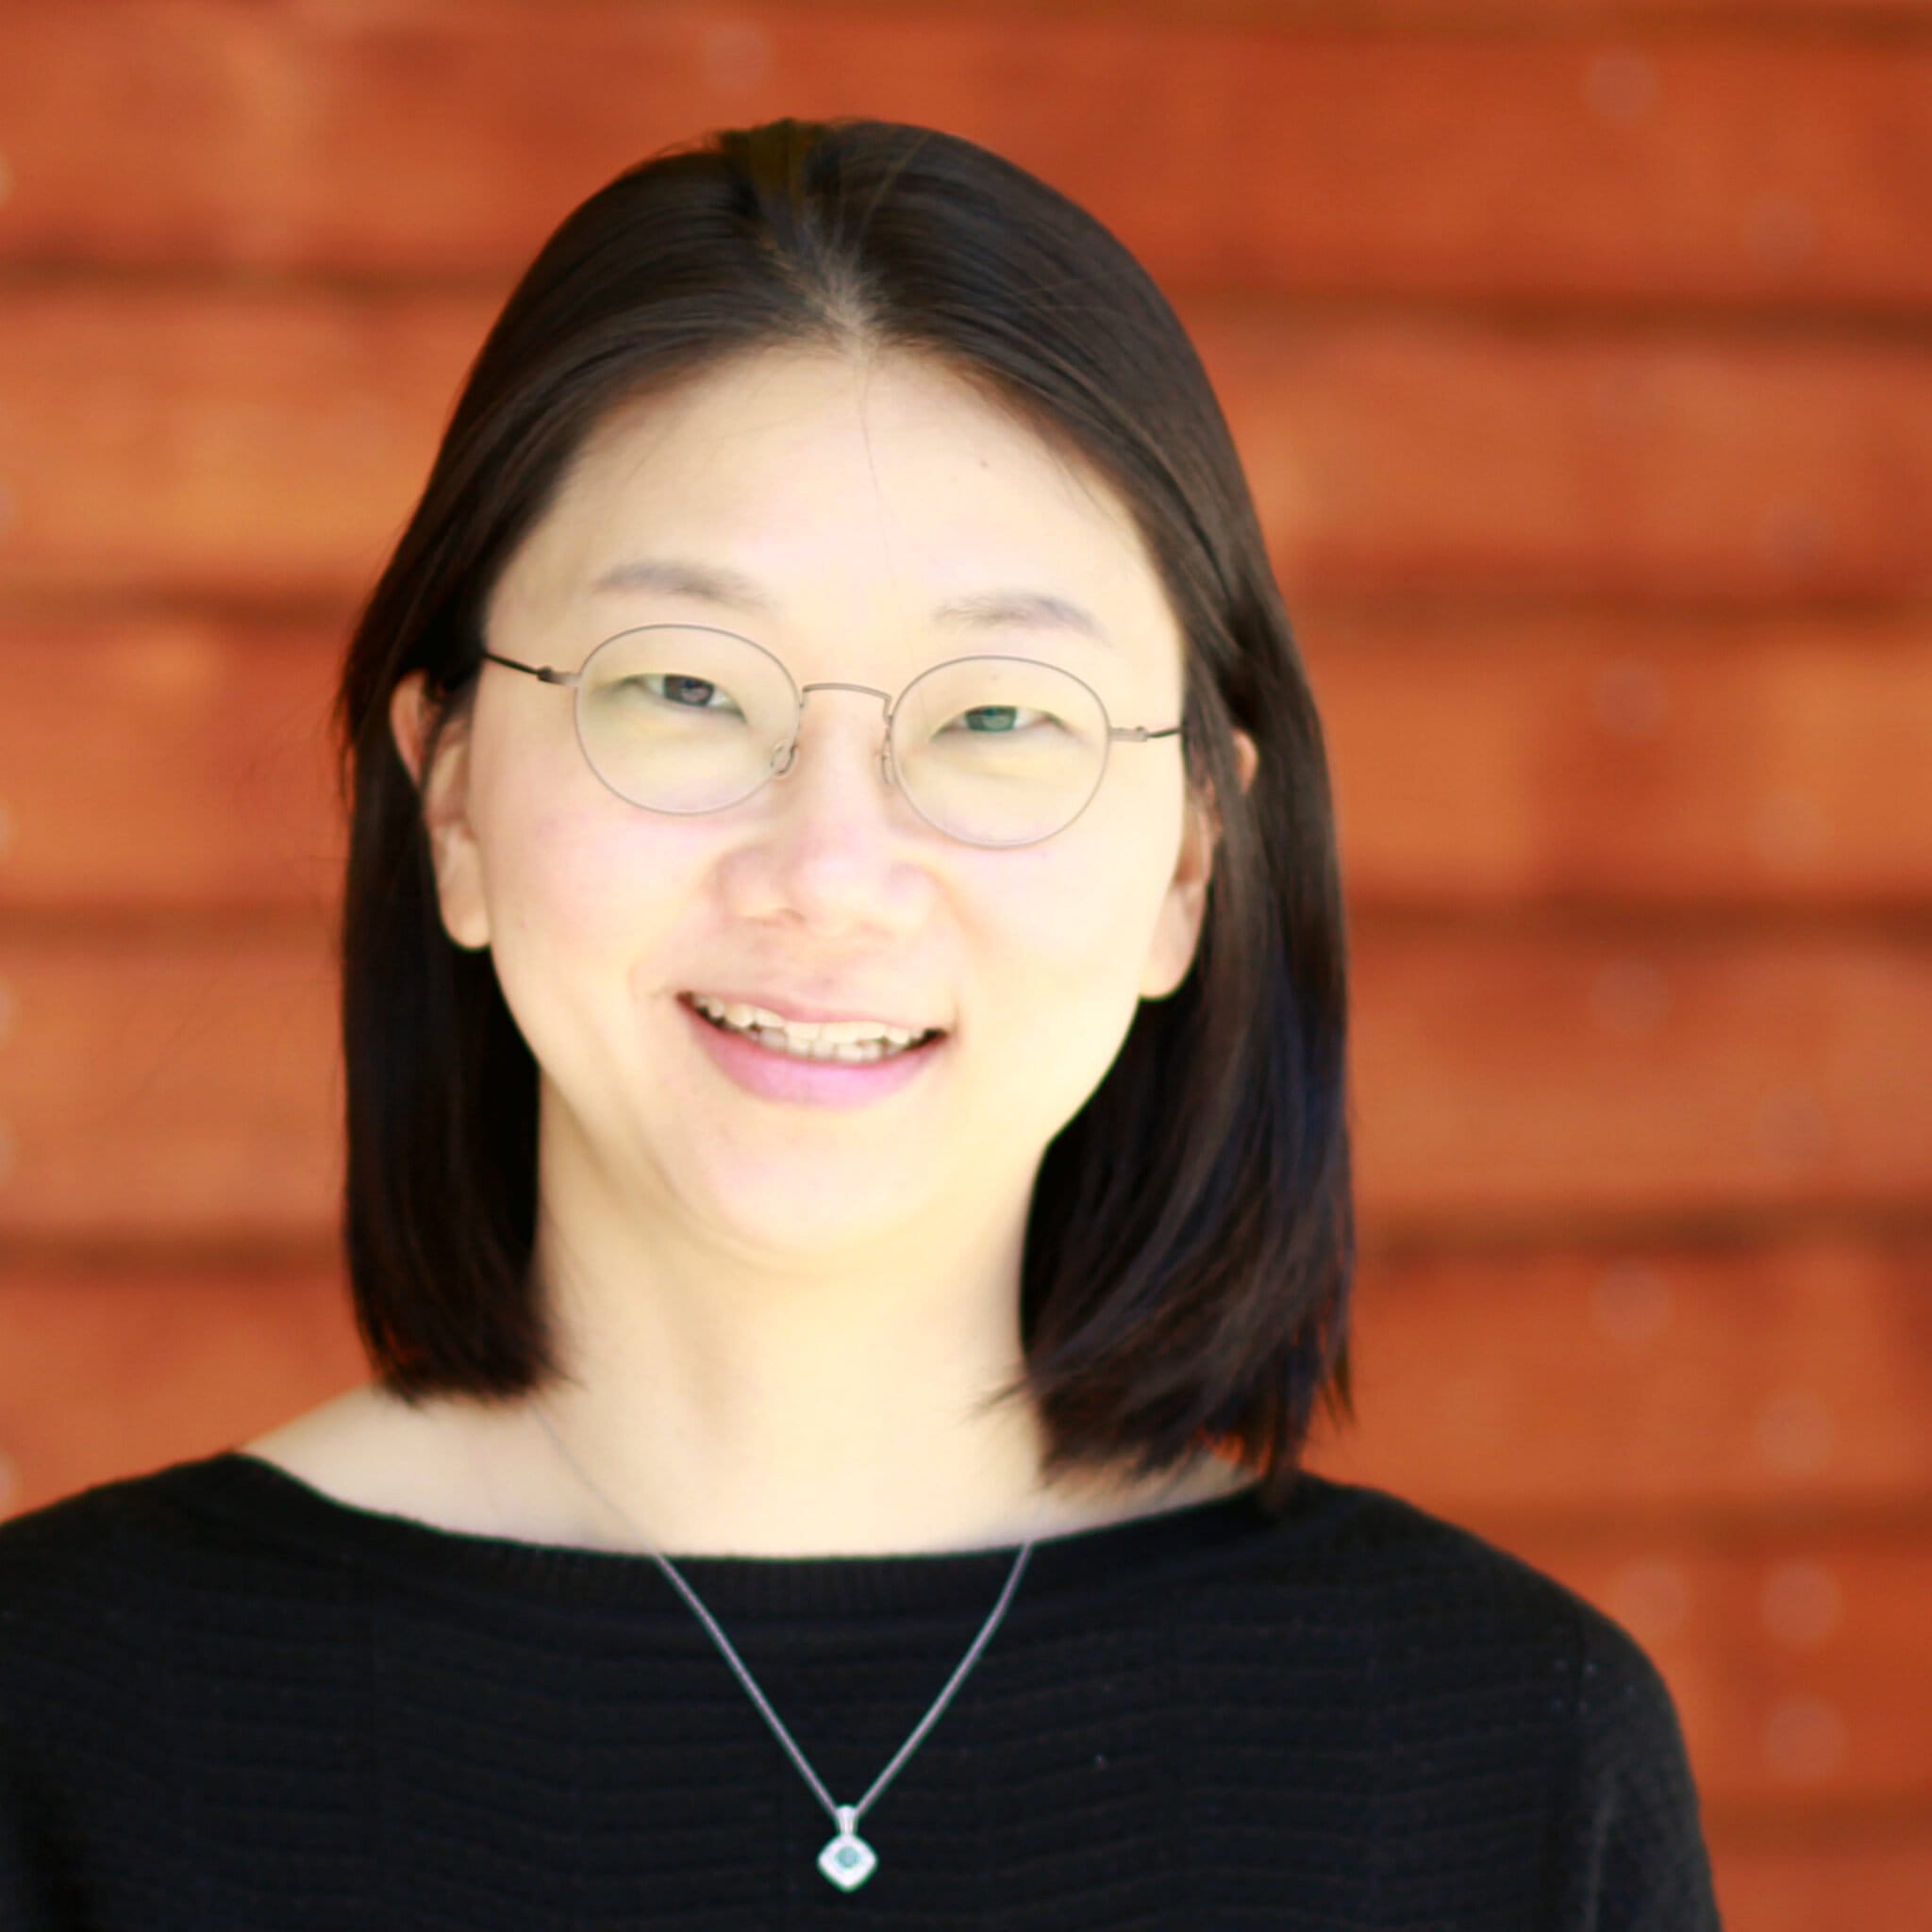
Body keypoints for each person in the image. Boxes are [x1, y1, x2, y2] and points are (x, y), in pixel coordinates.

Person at [0, 117, 1721, 1926]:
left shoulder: (1503, 1755)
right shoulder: (62, 1726)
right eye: (681, 688)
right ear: (451, 806)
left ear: (1191, 862)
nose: (829, 868)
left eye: (997, 719)